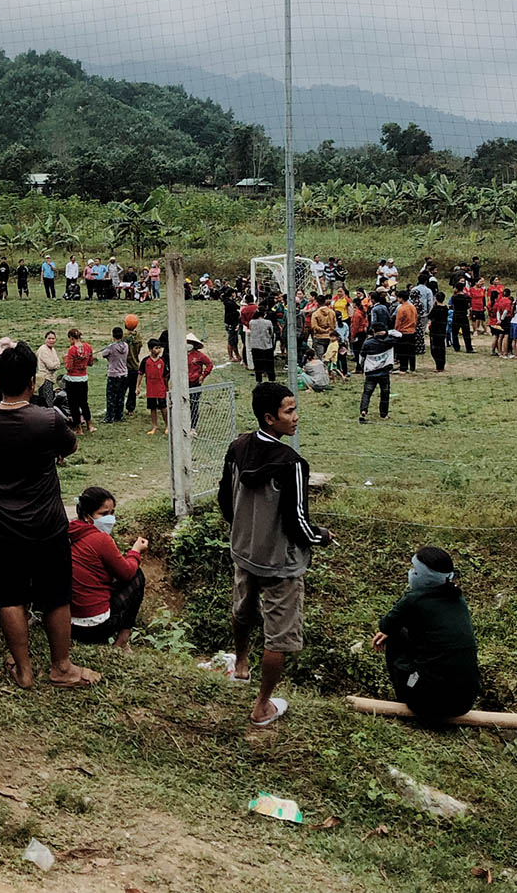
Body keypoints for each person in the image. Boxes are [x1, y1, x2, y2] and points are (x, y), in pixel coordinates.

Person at [0, 342, 98, 689]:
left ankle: (24, 669)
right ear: (31, 381)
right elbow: (70, 446)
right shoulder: (47, 419)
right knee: (56, 595)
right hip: (46, 521)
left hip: (2, 522)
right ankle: (61, 667)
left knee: (10, 595)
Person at [219, 382, 334, 726]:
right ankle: (262, 706)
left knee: (243, 610)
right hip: (280, 564)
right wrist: (321, 536)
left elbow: (226, 500)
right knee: (279, 636)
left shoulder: (238, 447)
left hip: (244, 551)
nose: (296, 417)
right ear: (270, 418)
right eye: (289, 411)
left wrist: (243, 529)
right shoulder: (293, 464)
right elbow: (298, 521)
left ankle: (240, 666)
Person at [372, 546, 480, 719]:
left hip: (425, 702)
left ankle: (405, 693)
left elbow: (386, 625)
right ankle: (417, 684)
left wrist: (389, 632)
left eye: (414, 570)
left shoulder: (414, 599)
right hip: (464, 701)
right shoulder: (458, 598)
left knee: (395, 636)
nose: (411, 572)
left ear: (424, 577)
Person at [68, 486, 146, 649]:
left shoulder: (70, 532)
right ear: (87, 516)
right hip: (95, 628)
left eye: (112, 513)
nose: (110, 519)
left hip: (66, 624)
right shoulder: (101, 540)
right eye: (103, 514)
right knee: (137, 575)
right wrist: (135, 551)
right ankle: (123, 640)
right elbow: (126, 573)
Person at [358, 307, 399, 423]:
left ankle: (363, 410)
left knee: (367, 392)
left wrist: (362, 367)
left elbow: (362, 356)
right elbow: (399, 334)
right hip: (384, 372)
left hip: (370, 372)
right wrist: (388, 332)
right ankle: (383, 414)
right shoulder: (390, 341)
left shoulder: (368, 343)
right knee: (385, 393)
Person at [63, 328, 94, 433]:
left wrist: (65, 359)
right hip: (83, 377)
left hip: (72, 379)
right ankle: (90, 425)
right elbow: (90, 363)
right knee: (84, 402)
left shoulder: (71, 350)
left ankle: (79, 429)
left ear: (71, 338)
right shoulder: (88, 347)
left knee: (73, 404)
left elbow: (69, 367)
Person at [99, 326, 129, 423]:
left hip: (113, 374)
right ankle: (119, 415)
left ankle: (109, 417)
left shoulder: (111, 347)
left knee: (111, 397)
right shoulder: (126, 345)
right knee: (121, 396)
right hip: (124, 374)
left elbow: (103, 354)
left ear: (113, 335)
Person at [185, 333, 213, 433]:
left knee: (194, 405)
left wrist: (203, 376)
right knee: (183, 404)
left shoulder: (199, 356)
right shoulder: (181, 354)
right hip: (184, 383)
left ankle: (193, 427)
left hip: (195, 383)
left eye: (190, 343)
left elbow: (209, 364)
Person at [141, 339, 169, 435]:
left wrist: (167, 387)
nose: (158, 350)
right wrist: (137, 387)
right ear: (150, 349)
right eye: (156, 348)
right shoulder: (145, 361)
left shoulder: (162, 361)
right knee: (152, 407)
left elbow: (165, 376)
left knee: (163, 407)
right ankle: (154, 426)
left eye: (159, 348)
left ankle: (167, 425)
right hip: (150, 388)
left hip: (160, 388)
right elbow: (140, 374)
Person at [248, 306, 276, 383]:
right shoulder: (268, 322)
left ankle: (259, 380)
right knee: (270, 365)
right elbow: (271, 333)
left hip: (255, 346)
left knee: (257, 365)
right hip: (267, 346)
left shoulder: (251, 322)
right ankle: (271, 380)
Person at [122, 315, 142, 415]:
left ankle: (120, 406)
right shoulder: (138, 337)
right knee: (132, 389)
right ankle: (131, 409)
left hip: (125, 366)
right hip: (135, 365)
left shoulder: (124, 337)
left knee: (122, 389)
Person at [394, 291, 418, 371]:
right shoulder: (413, 307)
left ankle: (403, 367)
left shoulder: (401, 309)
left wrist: (395, 331)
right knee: (411, 351)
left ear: (401, 298)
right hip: (412, 331)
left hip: (403, 332)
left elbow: (398, 322)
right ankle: (412, 367)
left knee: (402, 351)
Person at [35, 330, 61, 407]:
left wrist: (55, 364)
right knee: (47, 402)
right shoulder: (43, 350)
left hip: (50, 379)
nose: (51, 340)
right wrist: (56, 364)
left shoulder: (53, 349)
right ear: (45, 339)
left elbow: (58, 362)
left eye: (53, 338)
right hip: (44, 379)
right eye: (49, 338)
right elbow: (51, 366)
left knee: (49, 400)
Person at [428, 290, 448, 372]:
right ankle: (441, 365)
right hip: (442, 330)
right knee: (441, 348)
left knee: (435, 349)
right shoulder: (445, 308)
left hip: (435, 330)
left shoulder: (435, 309)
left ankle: (438, 365)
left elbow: (430, 316)